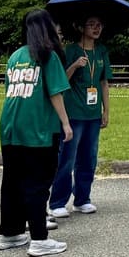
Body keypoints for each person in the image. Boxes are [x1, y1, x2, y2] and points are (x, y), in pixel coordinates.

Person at [0, 9, 74, 257]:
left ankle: (9, 233)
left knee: (12, 183)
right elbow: (55, 93)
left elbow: (11, 90)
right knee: (38, 183)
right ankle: (39, 238)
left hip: (10, 127)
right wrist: (66, 123)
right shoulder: (49, 57)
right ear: (47, 28)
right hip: (38, 128)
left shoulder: (15, 56)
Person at [47, 15, 112, 220]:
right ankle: (57, 202)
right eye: (91, 24)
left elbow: (104, 84)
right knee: (67, 158)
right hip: (74, 113)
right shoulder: (70, 51)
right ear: (81, 27)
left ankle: (82, 199)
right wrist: (74, 66)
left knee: (89, 158)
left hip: (93, 115)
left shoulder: (101, 51)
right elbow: (60, 81)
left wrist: (106, 110)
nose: (96, 28)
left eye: (99, 25)